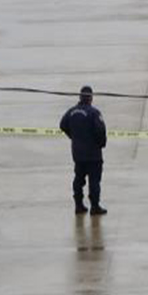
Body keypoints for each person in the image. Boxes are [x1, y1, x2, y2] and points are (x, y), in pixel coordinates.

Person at [59, 85, 108, 215]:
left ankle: (78, 205)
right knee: (94, 181)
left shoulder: (71, 112)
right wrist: (101, 144)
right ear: (91, 98)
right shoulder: (94, 113)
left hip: (78, 153)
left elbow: (62, 125)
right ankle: (95, 206)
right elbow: (100, 131)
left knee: (78, 179)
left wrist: (73, 137)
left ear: (80, 97)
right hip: (93, 155)